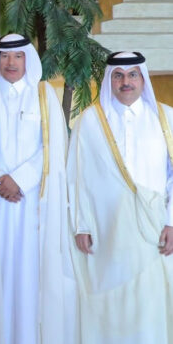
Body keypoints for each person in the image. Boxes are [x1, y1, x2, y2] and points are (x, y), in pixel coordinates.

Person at [0, 34, 76, 344]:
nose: (11, 63)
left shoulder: (44, 95)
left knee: (30, 275)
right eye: (5, 56)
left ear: (28, 60)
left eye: (18, 56)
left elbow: (54, 147)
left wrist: (20, 180)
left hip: (31, 203)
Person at [68, 51, 173, 344]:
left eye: (132, 75)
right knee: (109, 303)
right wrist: (81, 225)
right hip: (105, 231)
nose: (126, 82)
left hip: (154, 231)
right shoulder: (90, 121)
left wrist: (172, 221)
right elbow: (77, 176)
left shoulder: (166, 118)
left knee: (149, 301)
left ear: (143, 79)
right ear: (109, 80)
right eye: (118, 75)